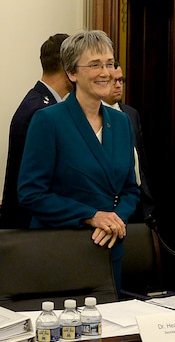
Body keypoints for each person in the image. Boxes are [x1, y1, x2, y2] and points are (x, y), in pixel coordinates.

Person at [17, 30, 140, 295]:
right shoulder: (48, 120)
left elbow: (131, 188)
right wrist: (90, 216)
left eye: (110, 63)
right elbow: (30, 193)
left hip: (109, 249)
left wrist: (117, 219)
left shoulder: (121, 122)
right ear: (72, 73)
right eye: (95, 65)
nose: (106, 72)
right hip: (63, 250)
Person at [0, 33, 73, 229]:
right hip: (33, 229)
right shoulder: (41, 111)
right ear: (67, 67)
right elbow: (40, 185)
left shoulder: (38, 101)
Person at [102, 61, 155, 222]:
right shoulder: (93, 116)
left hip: (138, 199)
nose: (118, 85)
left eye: (121, 80)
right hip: (110, 205)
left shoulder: (131, 114)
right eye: (113, 81)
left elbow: (141, 160)